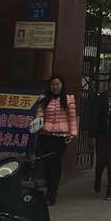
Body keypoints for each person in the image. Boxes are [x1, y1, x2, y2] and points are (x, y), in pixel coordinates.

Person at [33, 74, 77, 205]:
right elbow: (39, 115)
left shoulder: (68, 100)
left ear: (62, 85)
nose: (55, 87)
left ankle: (53, 192)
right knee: (47, 165)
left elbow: (72, 117)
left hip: (60, 137)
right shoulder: (43, 99)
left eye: (57, 84)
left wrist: (72, 133)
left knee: (56, 165)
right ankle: (49, 191)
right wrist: (38, 126)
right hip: (46, 135)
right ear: (49, 86)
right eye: (52, 84)